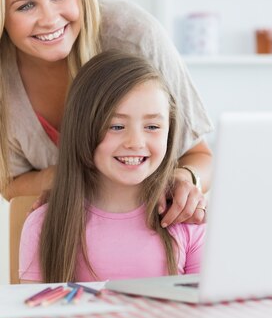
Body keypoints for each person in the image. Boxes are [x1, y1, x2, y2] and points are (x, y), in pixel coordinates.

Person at [0, 0, 213, 227]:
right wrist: (64, 177)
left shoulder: (135, 36)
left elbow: (200, 156)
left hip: (150, 233)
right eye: (25, 6)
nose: (50, 19)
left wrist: (185, 177)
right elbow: (9, 182)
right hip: (56, 241)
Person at [19, 51, 206, 282]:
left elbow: (204, 314)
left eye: (153, 127)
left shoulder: (187, 221)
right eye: (116, 126)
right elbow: (36, 316)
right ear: (82, 130)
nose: (135, 142)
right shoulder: (43, 225)